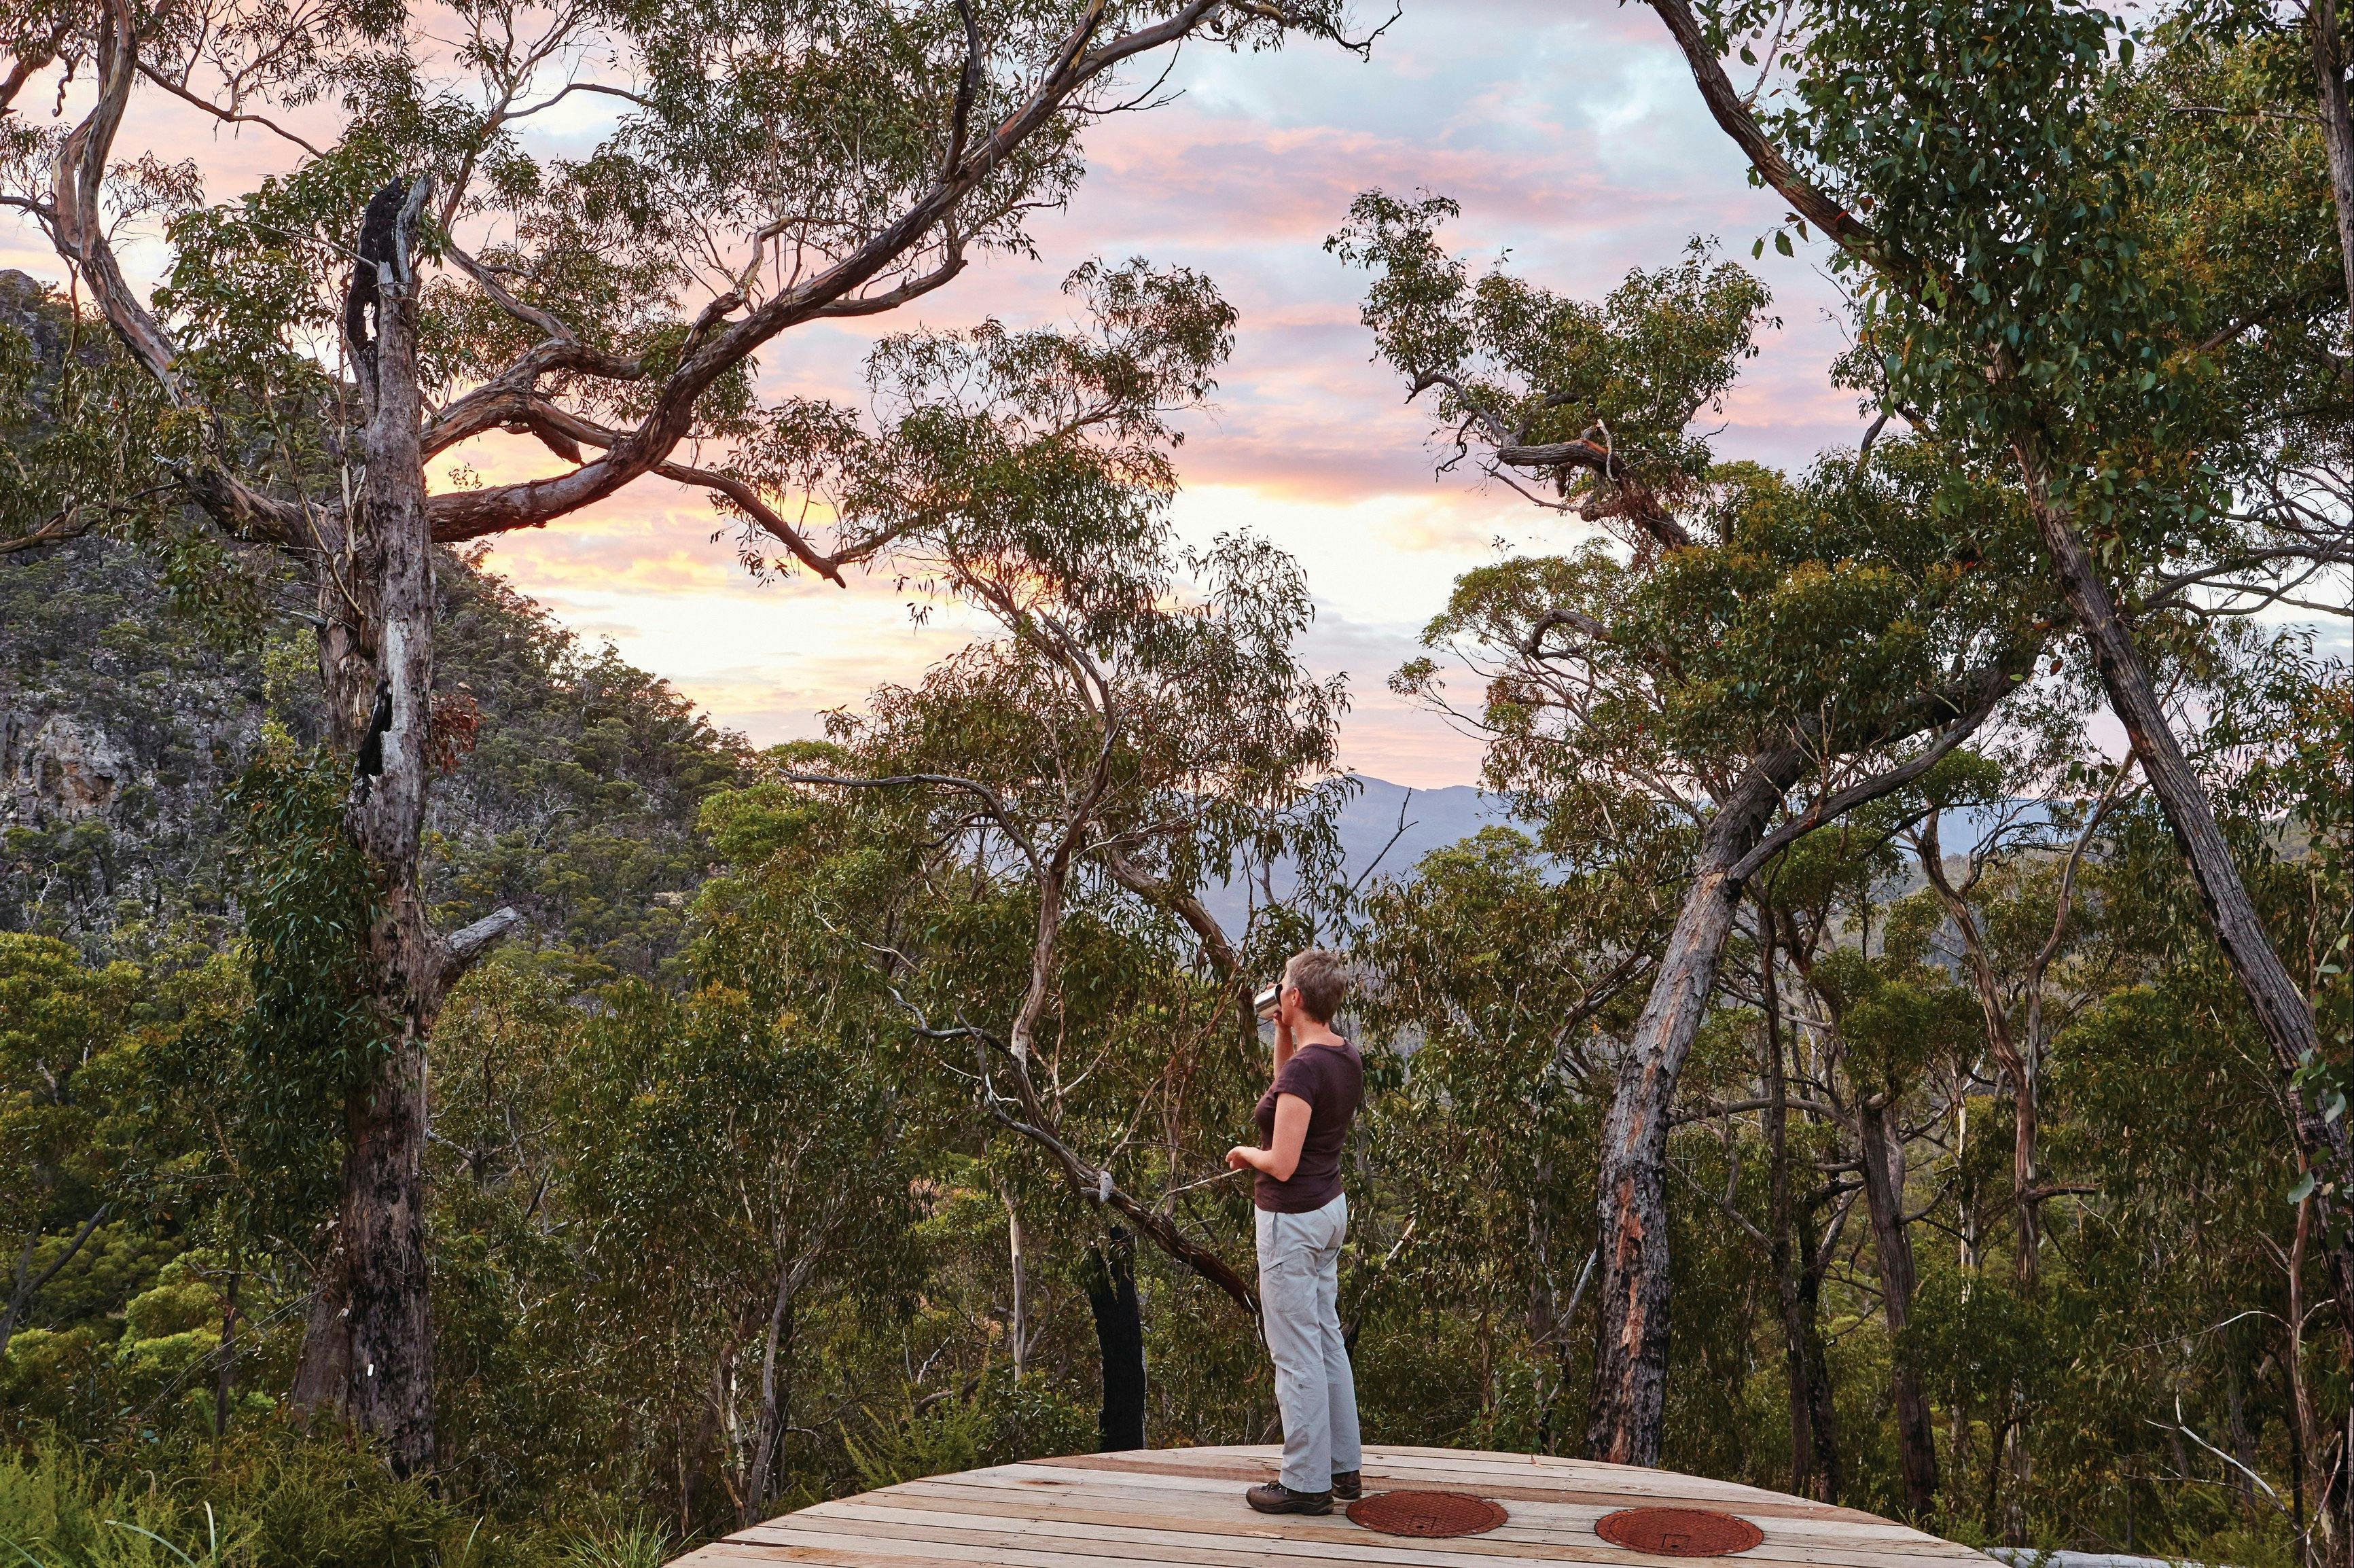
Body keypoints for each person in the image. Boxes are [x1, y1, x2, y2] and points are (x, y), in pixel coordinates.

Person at [1224, 948, 1364, 1516]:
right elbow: (1289, 1088)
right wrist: (1281, 1031)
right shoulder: (1340, 1054)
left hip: (1293, 1219)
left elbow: (1281, 1162)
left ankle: (1305, 1484)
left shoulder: (1308, 1069)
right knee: (1325, 1338)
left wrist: (1244, 1153)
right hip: (1328, 1209)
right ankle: (1342, 1467)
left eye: (1282, 984)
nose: (1277, 989)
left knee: (1294, 1351)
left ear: (1295, 996)